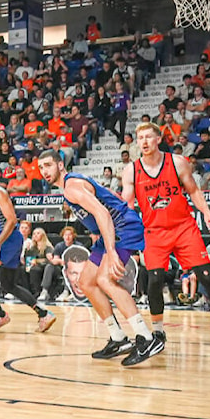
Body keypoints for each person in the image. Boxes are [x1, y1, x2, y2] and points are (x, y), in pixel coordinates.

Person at [121, 123, 210, 352]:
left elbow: (193, 190)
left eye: (148, 137)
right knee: (154, 279)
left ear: (158, 139)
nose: (143, 142)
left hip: (184, 227)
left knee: (206, 276)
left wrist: (207, 213)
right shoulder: (131, 170)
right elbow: (127, 203)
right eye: (139, 138)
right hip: (154, 231)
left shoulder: (176, 162)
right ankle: (158, 332)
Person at [38, 150, 164, 366]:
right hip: (116, 228)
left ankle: (147, 338)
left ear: (60, 165)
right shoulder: (74, 182)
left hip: (122, 229)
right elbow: (111, 196)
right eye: (41, 167)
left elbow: (103, 214)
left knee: (106, 280)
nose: (44, 171)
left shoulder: (71, 187)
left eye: (48, 165)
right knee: (85, 282)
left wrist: (111, 249)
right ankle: (118, 338)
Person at [0, 166, 56, 332]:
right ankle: (44, 314)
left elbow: (11, 221)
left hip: (8, 240)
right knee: (9, 285)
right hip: (7, 240)